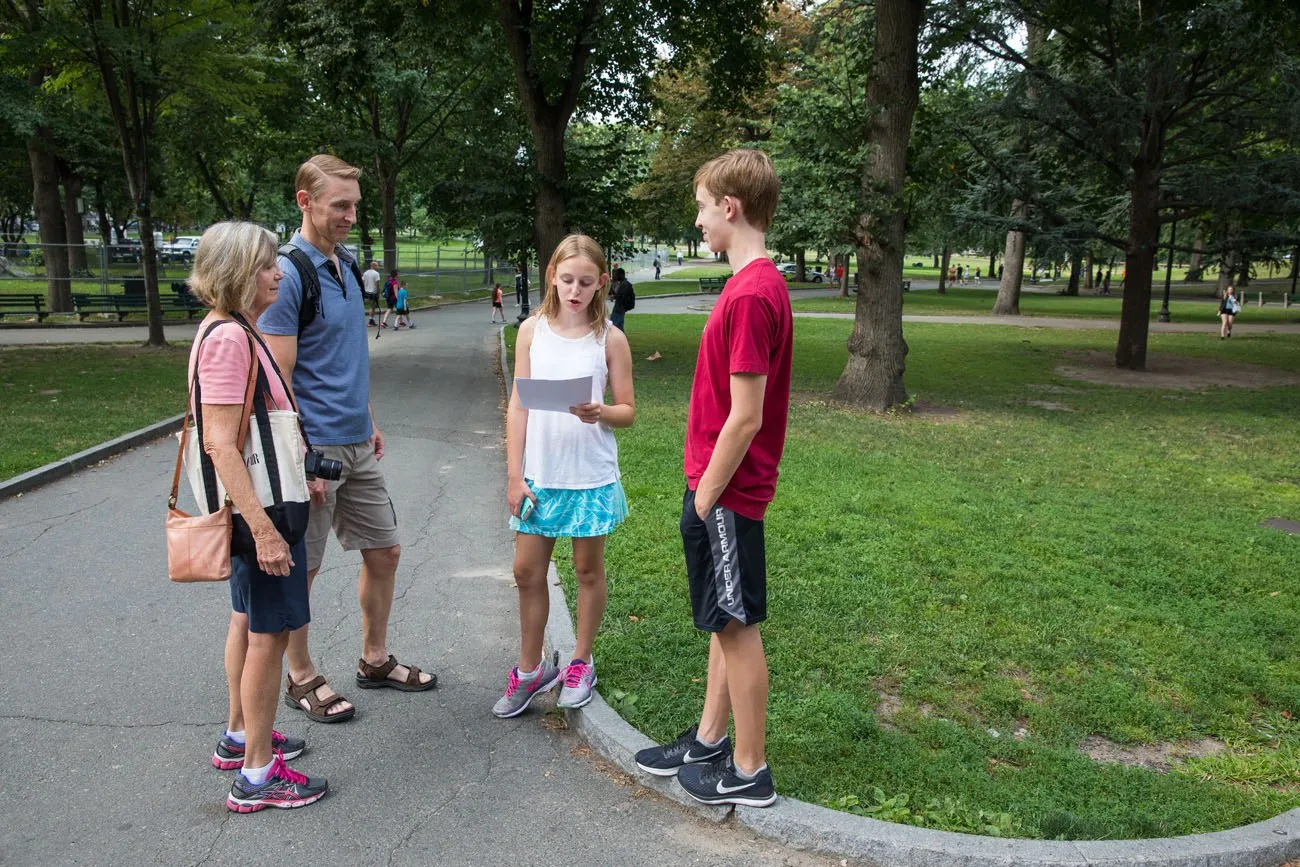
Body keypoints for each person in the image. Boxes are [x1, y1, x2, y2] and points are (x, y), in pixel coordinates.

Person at [633, 149, 791, 809]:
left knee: (738, 625)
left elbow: (746, 415)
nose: (698, 221)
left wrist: (703, 498)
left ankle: (750, 769)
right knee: (724, 623)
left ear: (729, 207)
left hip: (724, 490)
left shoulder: (754, 291)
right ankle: (707, 740)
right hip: (718, 488)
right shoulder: (750, 284)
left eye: (702, 207)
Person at [260, 155, 435, 728]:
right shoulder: (288, 275)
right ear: (303, 201)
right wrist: (300, 458)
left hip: (356, 439)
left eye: (355, 205)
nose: (351, 216)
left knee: (384, 551)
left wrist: (369, 415)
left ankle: (374, 659)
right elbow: (277, 380)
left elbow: (343, 357)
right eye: (340, 205)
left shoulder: (344, 263)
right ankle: (301, 675)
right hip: (313, 452)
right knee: (303, 569)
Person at [187, 221, 327, 812]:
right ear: (240, 271)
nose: (279, 274)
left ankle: (242, 736)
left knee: (247, 622)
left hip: (255, 508)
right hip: (260, 513)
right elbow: (221, 443)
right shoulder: (229, 338)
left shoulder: (231, 329)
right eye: (270, 265)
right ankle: (256, 775)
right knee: (268, 635)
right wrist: (266, 531)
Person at [495, 234, 635, 719]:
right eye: (568, 279)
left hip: (589, 475)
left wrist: (601, 411)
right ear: (552, 275)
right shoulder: (532, 331)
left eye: (586, 282)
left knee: (587, 571)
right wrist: (515, 476)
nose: (575, 290)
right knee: (526, 572)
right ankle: (531, 670)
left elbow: (629, 411)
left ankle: (580, 661)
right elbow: (518, 404)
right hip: (540, 474)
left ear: (601, 284)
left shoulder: (610, 339)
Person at [609, 267, 633, 332]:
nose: (615, 276)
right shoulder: (624, 284)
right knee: (619, 326)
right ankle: (622, 338)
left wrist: (615, 296)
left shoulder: (624, 285)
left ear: (621, 275)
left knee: (612, 326)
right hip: (621, 308)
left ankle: (614, 339)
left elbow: (622, 296)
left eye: (616, 275)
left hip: (619, 308)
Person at [362, 260, 381, 326]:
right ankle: (370, 320)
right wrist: (378, 291)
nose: (378, 266)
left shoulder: (365, 273)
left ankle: (372, 320)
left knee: (373, 306)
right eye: (377, 265)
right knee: (372, 306)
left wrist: (364, 289)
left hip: (367, 291)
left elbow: (363, 281)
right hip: (373, 292)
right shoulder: (376, 274)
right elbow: (377, 284)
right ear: (373, 266)